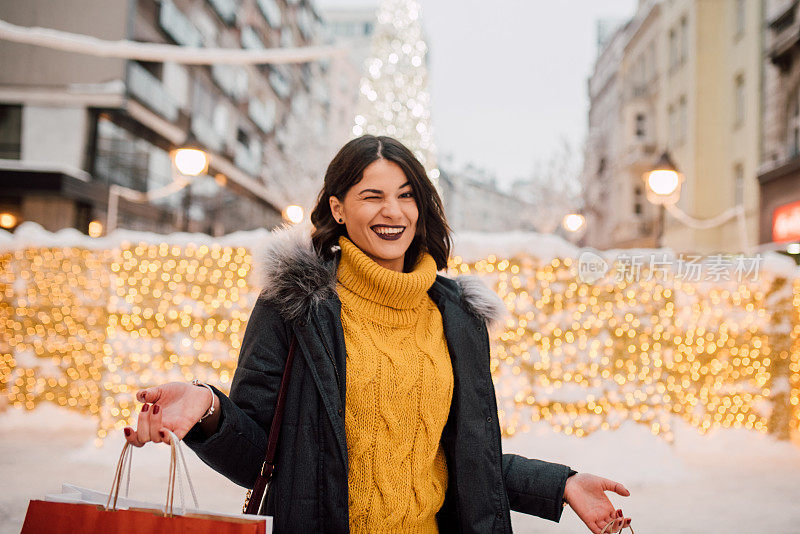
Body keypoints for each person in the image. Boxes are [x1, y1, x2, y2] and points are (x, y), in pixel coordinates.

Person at [124, 135, 633, 533]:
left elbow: (456, 458)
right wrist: (208, 410)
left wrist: (561, 484)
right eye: (373, 196)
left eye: (406, 196)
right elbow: (263, 454)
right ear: (338, 207)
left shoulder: (458, 316)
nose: (394, 212)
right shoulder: (296, 307)